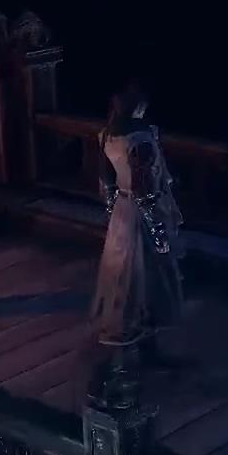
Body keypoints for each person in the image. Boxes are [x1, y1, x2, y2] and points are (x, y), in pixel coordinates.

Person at [90, 84, 184, 357]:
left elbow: (107, 182)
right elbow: (145, 192)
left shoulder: (107, 135)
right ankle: (143, 339)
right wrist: (158, 232)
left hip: (122, 209)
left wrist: (113, 214)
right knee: (147, 272)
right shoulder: (139, 140)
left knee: (124, 274)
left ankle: (132, 336)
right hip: (140, 212)